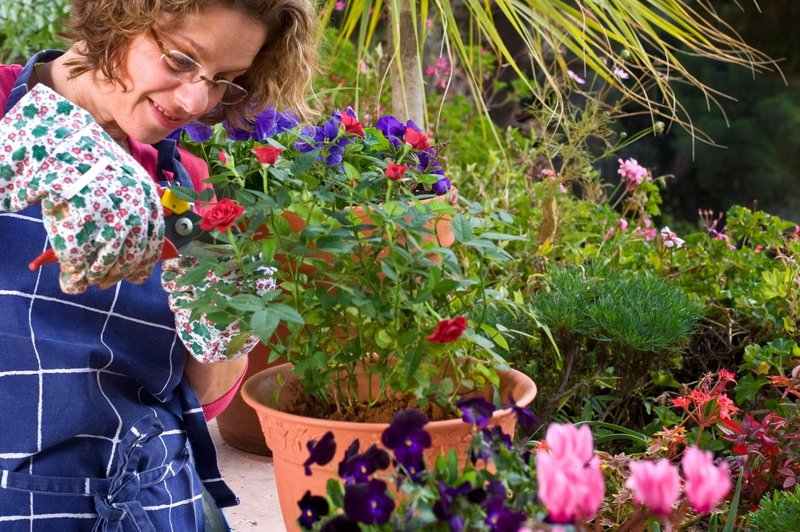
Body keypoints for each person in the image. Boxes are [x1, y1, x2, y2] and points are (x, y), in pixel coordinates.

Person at [0, 0, 318, 529]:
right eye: (179, 59)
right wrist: (48, 142)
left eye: (225, 79)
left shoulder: (185, 183)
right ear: (113, 16)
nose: (196, 99)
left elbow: (202, 395)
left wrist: (225, 303)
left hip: (149, 506)